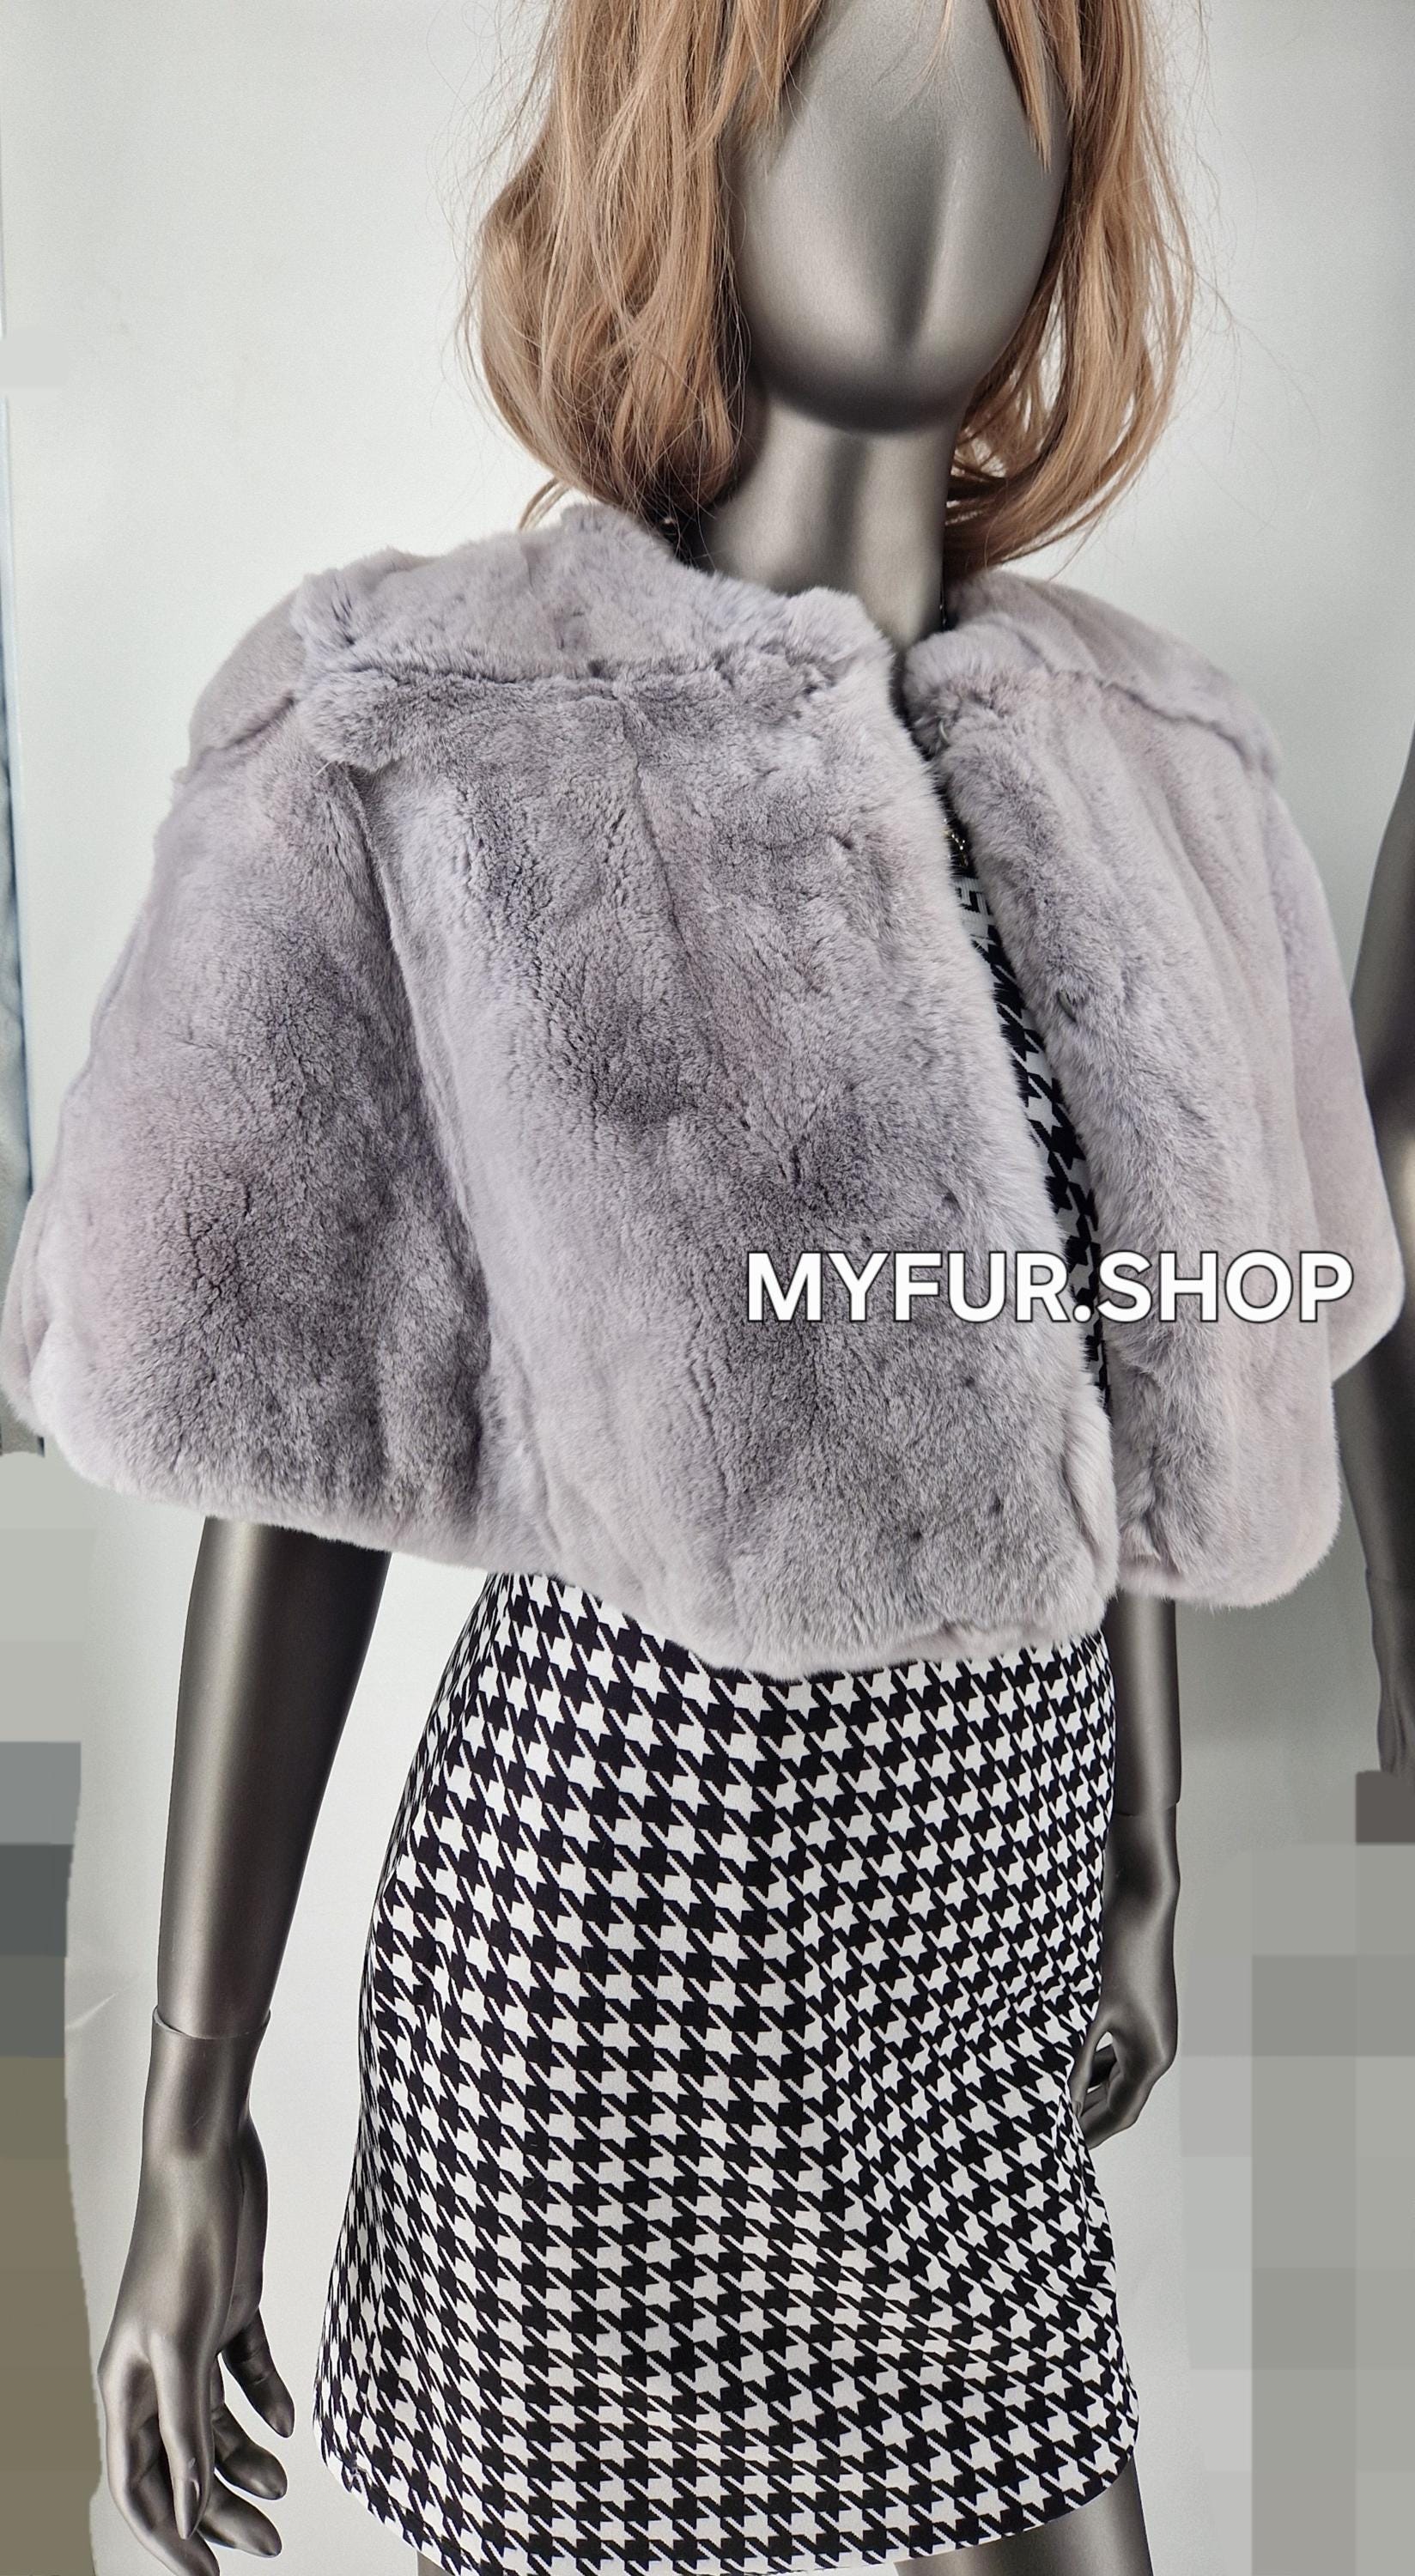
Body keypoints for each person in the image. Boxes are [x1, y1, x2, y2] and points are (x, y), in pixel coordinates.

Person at [1, 5, 1404, 2573]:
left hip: (986, 1957)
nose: (941, 135)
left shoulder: (1156, 768)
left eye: (1010, 63)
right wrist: (192, 2109)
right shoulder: (425, 735)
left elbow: (1137, 1370)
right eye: (850, 48)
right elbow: (291, 1454)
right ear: (687, 130)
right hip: (615, 1965)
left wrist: (1145, 1840)